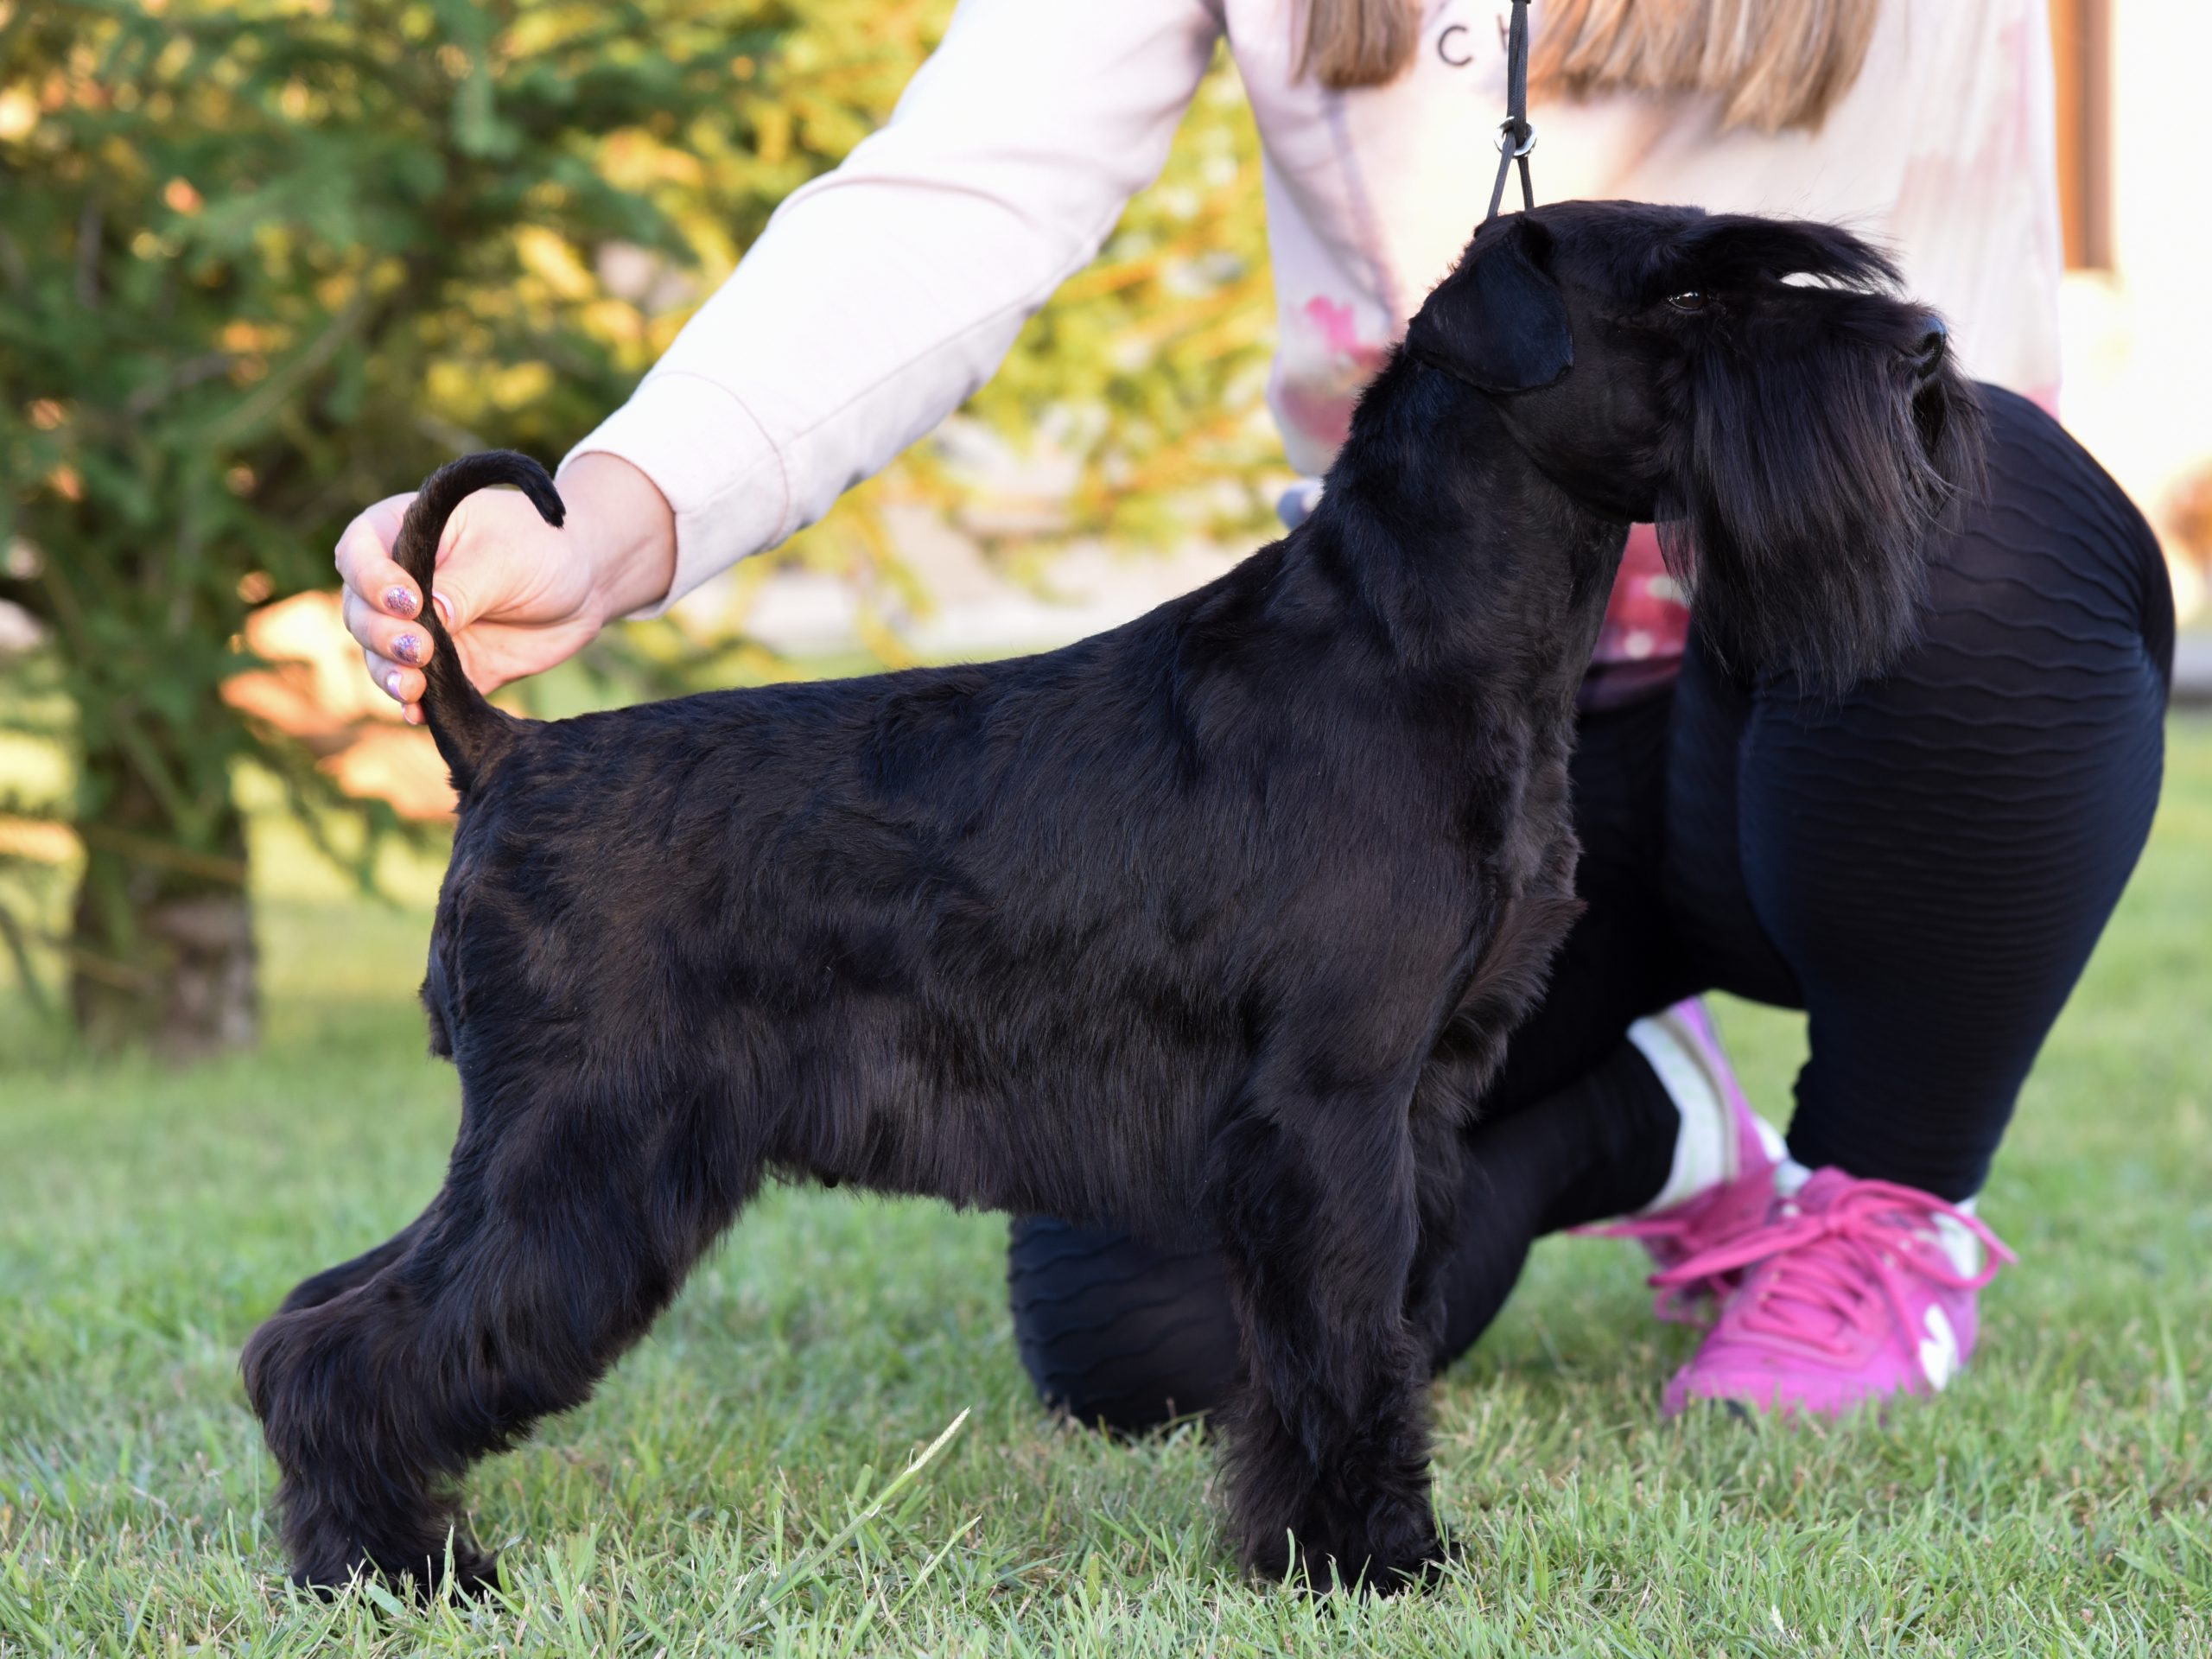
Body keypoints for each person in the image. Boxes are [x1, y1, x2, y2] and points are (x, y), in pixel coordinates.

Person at [334, 0, 2171, 1422]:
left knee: (1977, 533)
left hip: (1854, 706)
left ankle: (1881, 1198)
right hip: (1406, 736)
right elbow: (966, 189)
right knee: (1152, 1337)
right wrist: (619, 508)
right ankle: (1654, 1125)